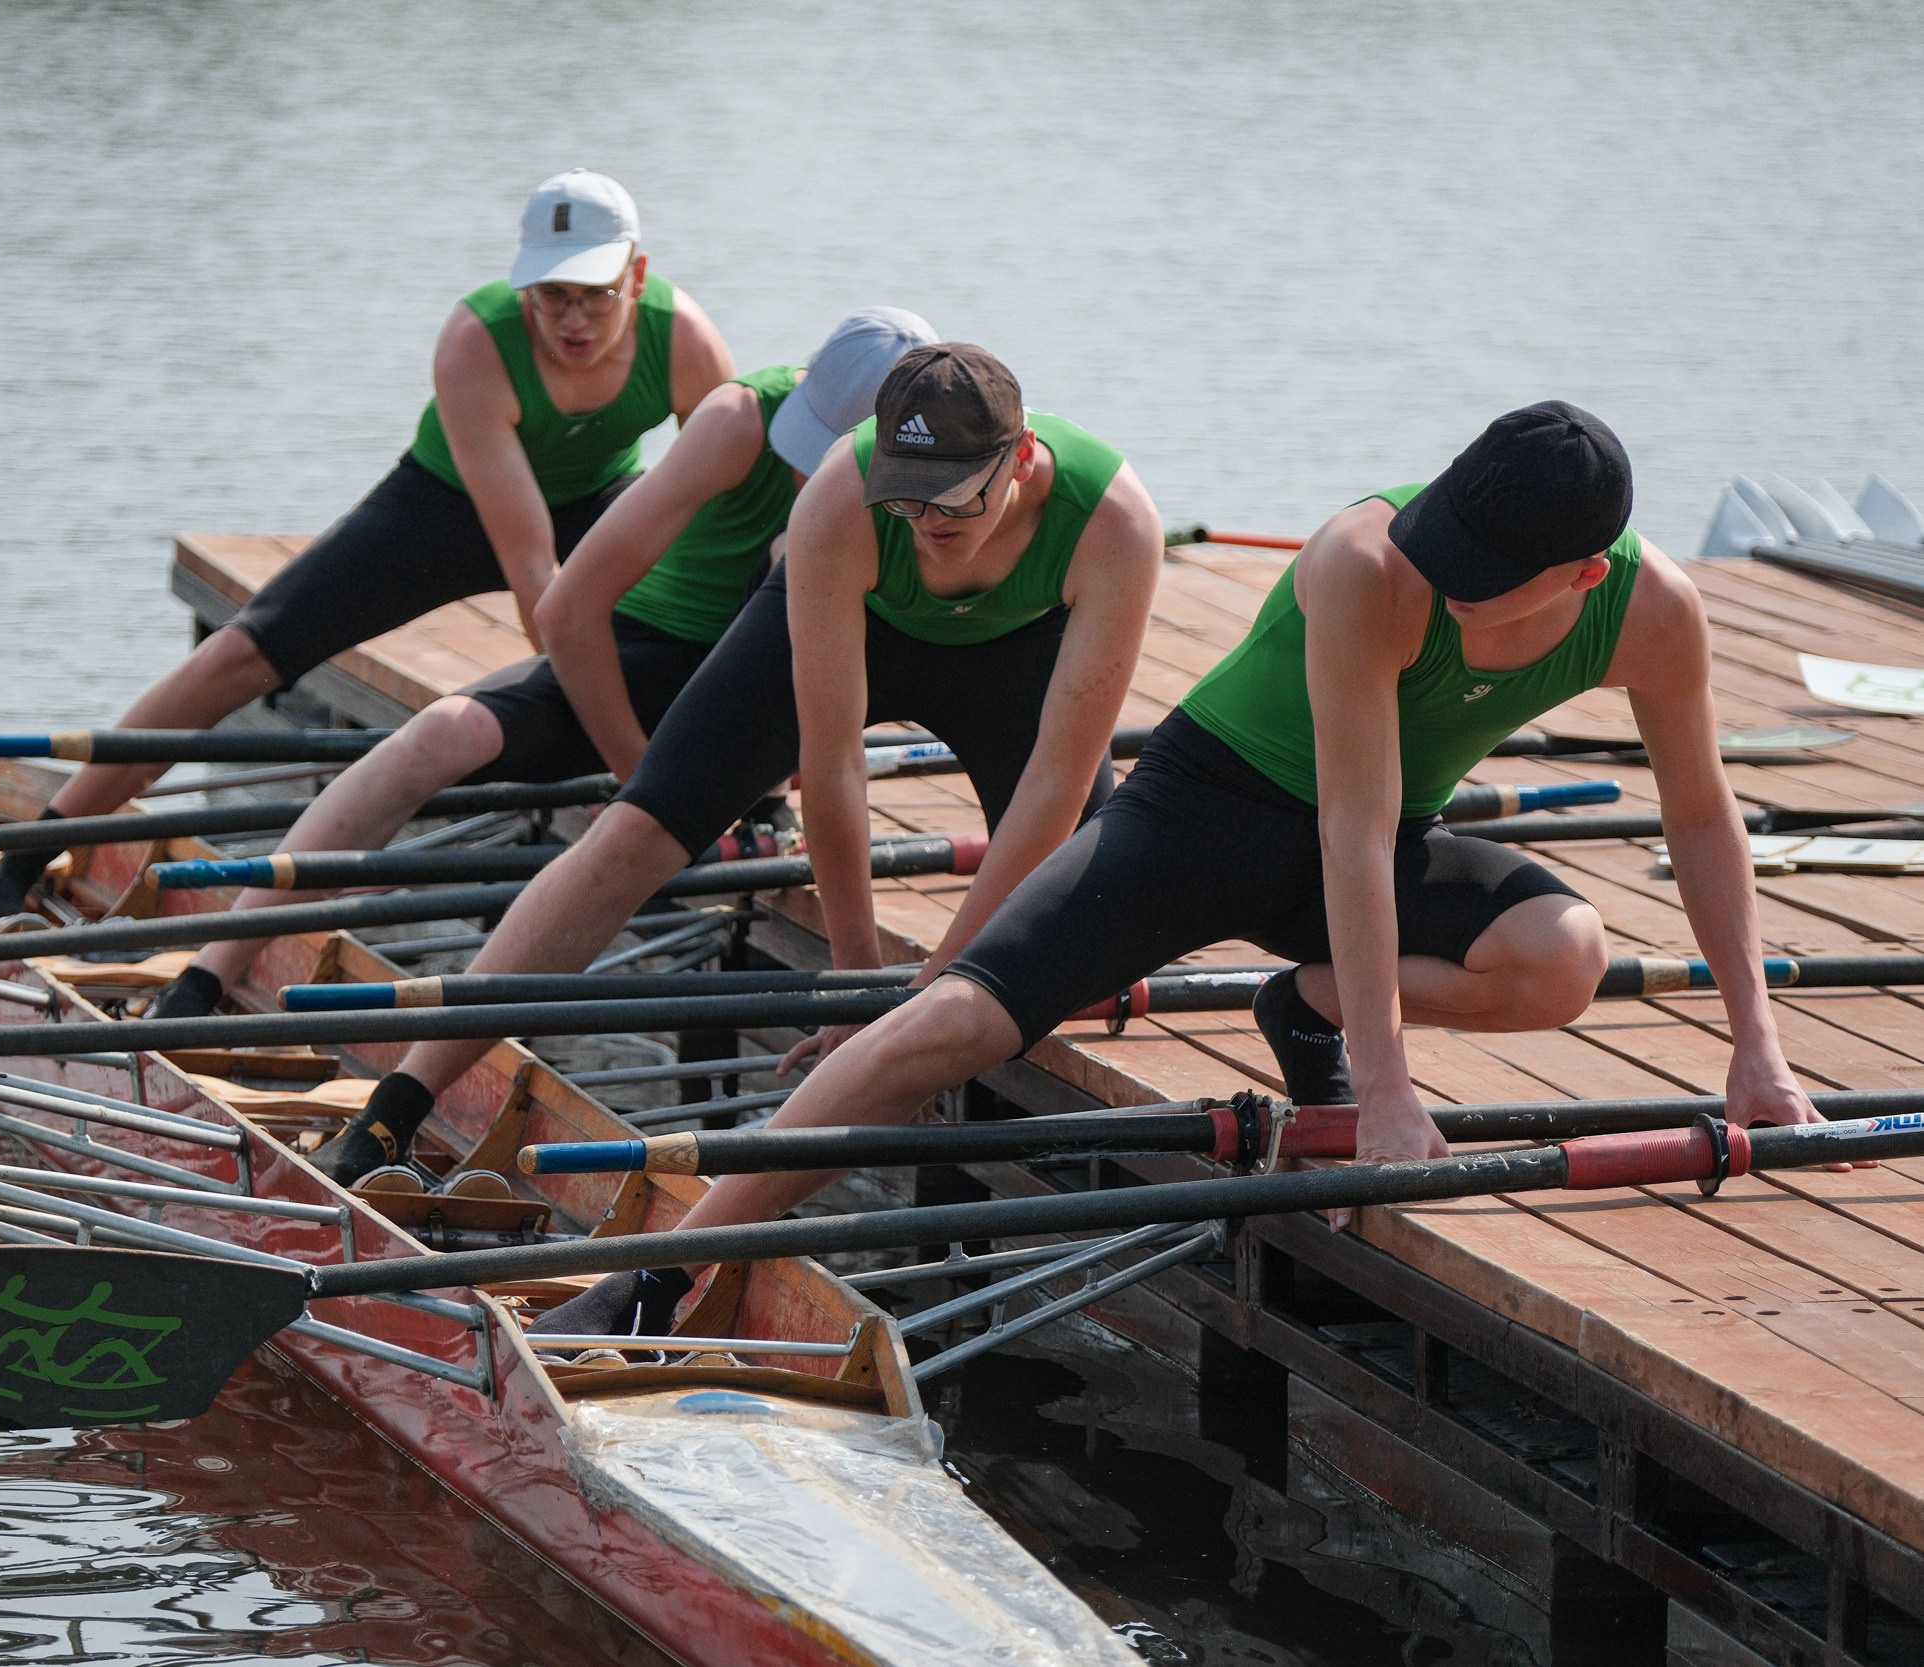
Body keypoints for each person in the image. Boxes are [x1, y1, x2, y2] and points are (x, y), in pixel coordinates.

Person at [566, 400, 1825, 1329]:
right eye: (1439, 546)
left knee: (1566, 958)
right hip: (1204, 808)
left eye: (1479, 581)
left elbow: (1702, 814)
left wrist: (1754, 1045)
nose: (1437, 580)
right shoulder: (1359, 563)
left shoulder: (1653, 611)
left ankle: (1309, 1001)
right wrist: (1385, 1094)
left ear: (1581, 577)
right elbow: (1343, 817)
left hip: (1372, 841)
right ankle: (662, 1271)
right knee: (942, 1027)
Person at [310, 342, 1165, 1198]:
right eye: (903, 494)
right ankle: (396, 1104)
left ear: (1019, 460)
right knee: (635, 831)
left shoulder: (1116, 524)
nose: (928, 520)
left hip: (1017, 656)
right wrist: (857, 977)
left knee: (1073, 903)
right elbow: (830, 765)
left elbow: (1054, 786)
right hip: (868, 621)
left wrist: (931, 985)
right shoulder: (841, 498)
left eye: (953, 497)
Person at [0, 168, 733, 922]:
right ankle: (30, 856)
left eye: (594, 296)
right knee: (241, 653)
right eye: (552, 297)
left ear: (637, 275)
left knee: (704, 617)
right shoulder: (477, 342)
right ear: (522, 285)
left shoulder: (688, 342)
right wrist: (621, 757)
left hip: (599, 499)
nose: (572, 322)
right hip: (446, 503)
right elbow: (534, 571)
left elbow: (724, 520)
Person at [140, 308, 941, 1023]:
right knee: (435, 735)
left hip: (767, 698)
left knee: (796, 560)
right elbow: (566, 611)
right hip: (649, 657)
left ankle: (762, 797)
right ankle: (212, 969)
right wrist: (641, 775)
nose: (807, 468)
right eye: (809, 441)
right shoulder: (736, 421)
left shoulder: (945, 486)